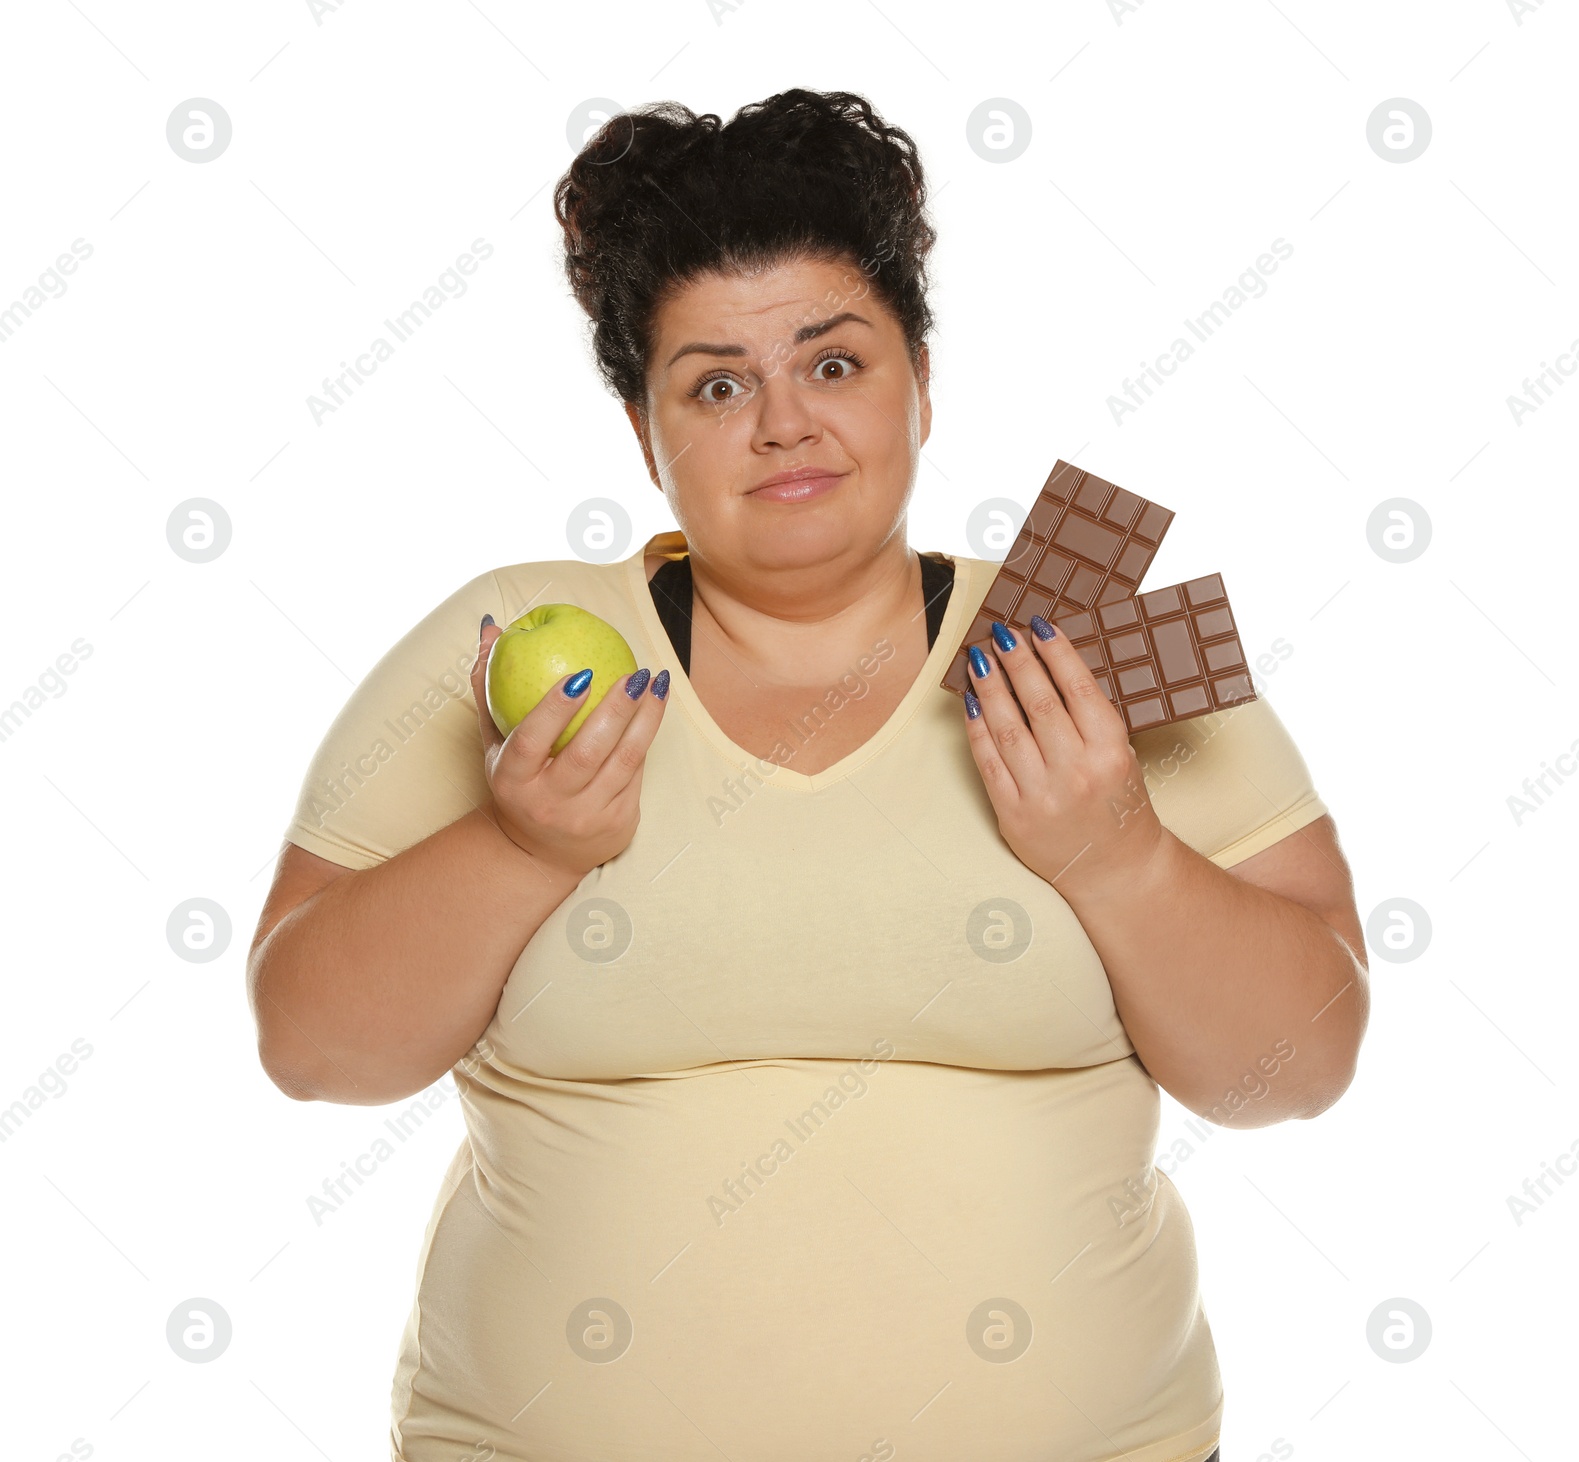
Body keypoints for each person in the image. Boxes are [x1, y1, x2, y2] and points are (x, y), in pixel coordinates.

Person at [248, 88, 1368, 1462]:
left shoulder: (1090, 639)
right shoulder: (508, 648)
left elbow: (1301, 1066)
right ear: (641, 430)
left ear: (922, 383)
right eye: (717, 382)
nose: (784, 422)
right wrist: (519, 847)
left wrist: (1115, 850)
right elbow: (310, 1047)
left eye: (834, 364)